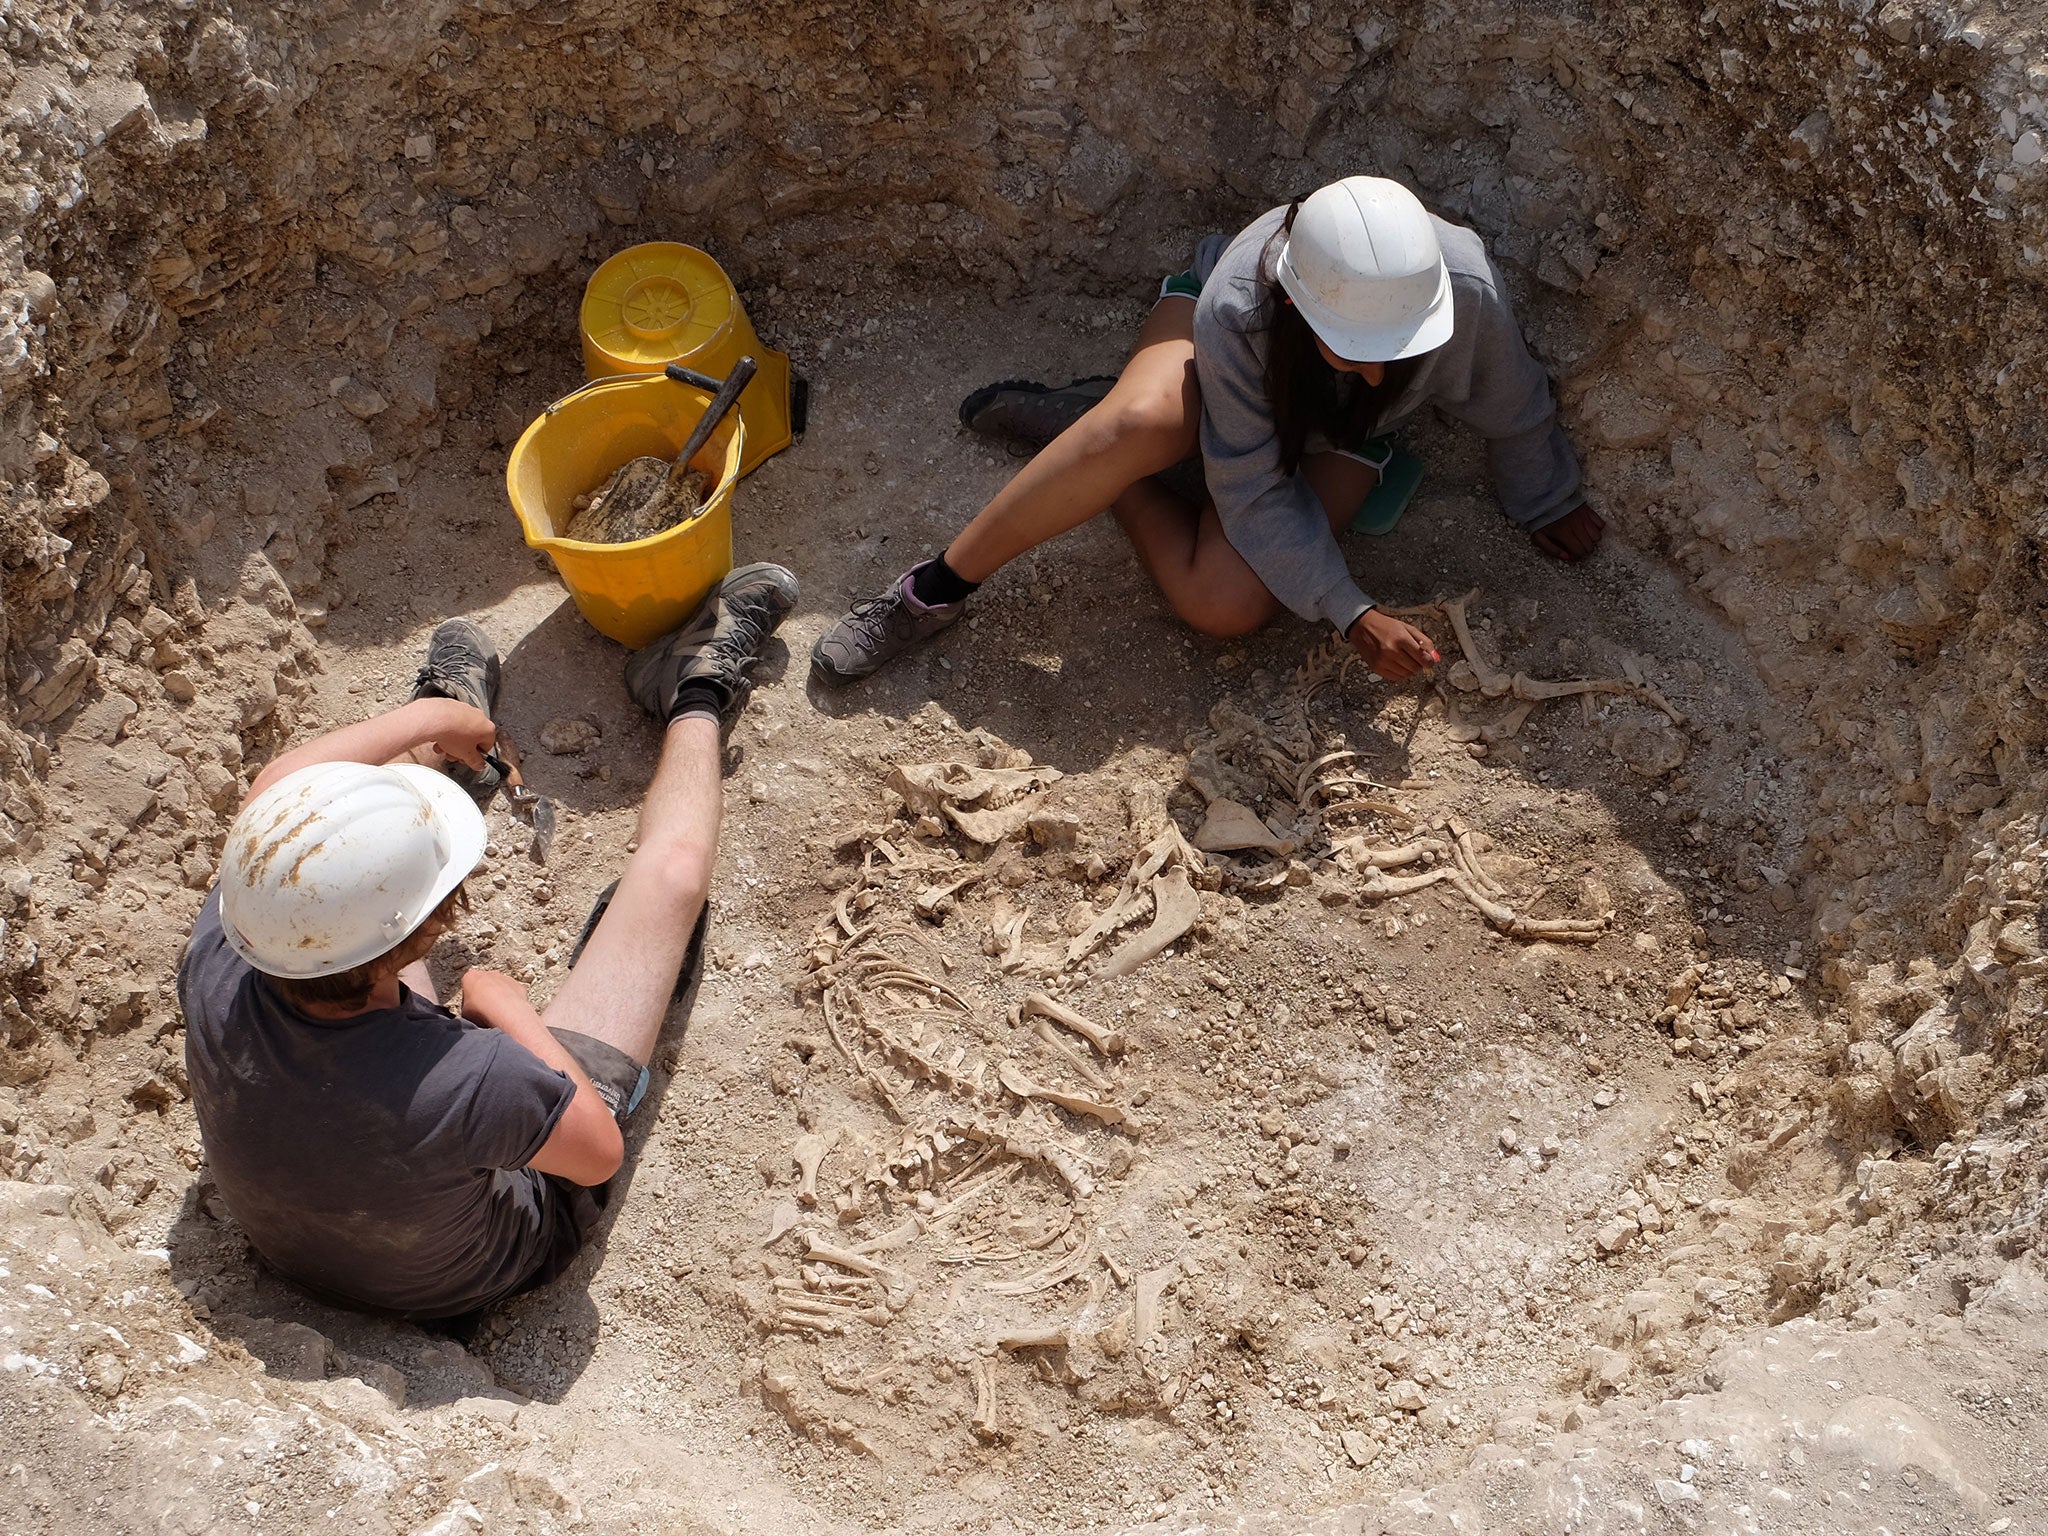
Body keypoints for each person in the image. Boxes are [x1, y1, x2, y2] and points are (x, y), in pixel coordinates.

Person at [177, 564, 799, 1323]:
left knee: (331, 835)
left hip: (309, 1237)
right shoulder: (476, 1077)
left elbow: (283, 789)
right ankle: (697, 689)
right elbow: (596, 1152)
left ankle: (446, 747)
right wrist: (510, 1014)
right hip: (461, 1280)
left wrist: (425, 719)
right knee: (671, 874)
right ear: (424, 931)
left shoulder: (228, 946)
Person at [810, 175, 1603, 687]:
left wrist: (1546, 496)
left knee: (1223, 605)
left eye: (1395, 354)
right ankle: (930, 591)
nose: (1373, 369)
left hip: (1335, 433)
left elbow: (1514, 400)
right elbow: (1251, 484)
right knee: (1138, 425)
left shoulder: (1461, 289)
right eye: (1355, 351)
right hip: (1214, 360)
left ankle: (1104, 471)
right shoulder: (1243, 303)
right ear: (1298, 304)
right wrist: (1351, 608)